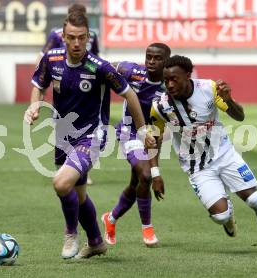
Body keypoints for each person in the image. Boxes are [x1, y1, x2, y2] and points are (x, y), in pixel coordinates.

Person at [24, 12, 147, 259]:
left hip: (93, 135)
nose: (77, 43)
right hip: (63, 134)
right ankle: (96, 241)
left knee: (61, 183)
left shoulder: (99, 67)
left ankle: (70, 233)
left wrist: (143, 130)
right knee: (77, 195)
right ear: (63, 36)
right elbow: (39, 85)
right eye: (71, 37)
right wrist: (34, 104)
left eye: (82, 38)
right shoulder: (52, 59)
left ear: (88, 37)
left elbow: (130, 95)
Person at [147, 55, 257, 255]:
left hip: (225, 155)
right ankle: (228, 215)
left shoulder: (209, 88)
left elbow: (239, 116)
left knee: (255, 199)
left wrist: (229, 100)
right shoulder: (160, 106)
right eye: (166, 81)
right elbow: (153, 138)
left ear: (188, 76)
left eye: (175, 79)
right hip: (196, 167)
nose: (170, 84)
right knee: (220, 217)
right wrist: (155, 174)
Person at [101, 43, 170, 247]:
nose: (151, 61)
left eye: (157, 58)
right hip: (129, 133)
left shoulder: (169, 88)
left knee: (137, 184)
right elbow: (102, 67)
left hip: (152, 135)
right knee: (146, 176)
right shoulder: (131, 71)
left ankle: (110, 219)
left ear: (166, 61)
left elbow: (157, 133)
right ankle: (147, 228)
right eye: (148, 56)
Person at [37, 3, 99, 185]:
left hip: (85, 82)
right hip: (62, 85)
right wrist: (42, 79)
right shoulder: (56, 35)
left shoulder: (93, 35)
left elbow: (95, 56)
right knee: (63, 127)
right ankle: (67, 167)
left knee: (86, 126)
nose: (76, 41)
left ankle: (79, 168)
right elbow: (44, 56)